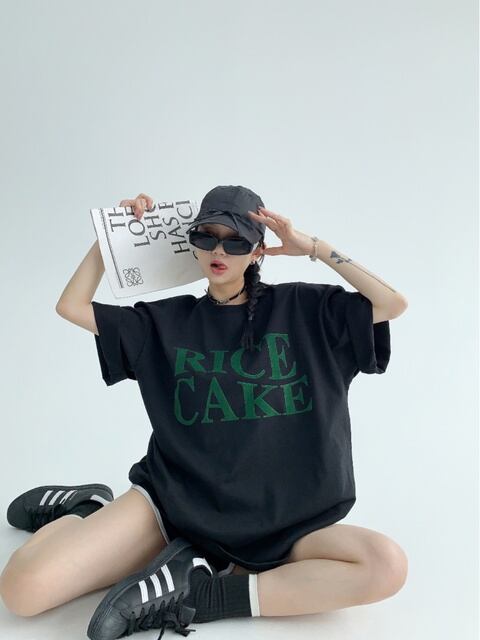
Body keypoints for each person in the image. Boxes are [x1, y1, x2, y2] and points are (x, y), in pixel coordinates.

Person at [0, 185, 409, 639]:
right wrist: (112, 238)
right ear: (191, 243)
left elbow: (392, 303)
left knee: (385, 565)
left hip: (288, 523)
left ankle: (204, 595)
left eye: (235, 241)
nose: (219, 250)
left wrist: (312, 247)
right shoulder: (164, 323)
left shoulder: (307, 310)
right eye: (206, 237)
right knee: (22, 591)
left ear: (258, 250)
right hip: (174, 508)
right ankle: (89, 509)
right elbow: (71, 306)